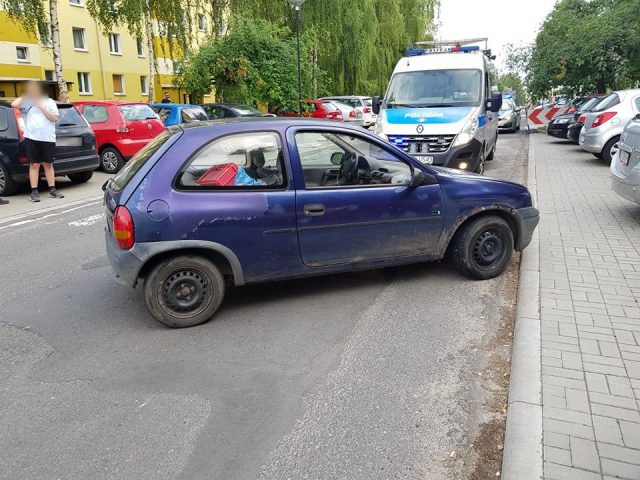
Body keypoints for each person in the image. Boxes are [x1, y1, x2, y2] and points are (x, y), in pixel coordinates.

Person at [11, 81, 64, 202]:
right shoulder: (28, 101)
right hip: (31, 138)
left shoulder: (50, 102)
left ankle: (52, 189)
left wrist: (42, 107)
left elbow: (54, 118)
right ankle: (34, 192)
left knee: (48, 164)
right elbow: (14, 104)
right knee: (34, 164)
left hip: (47, 138)